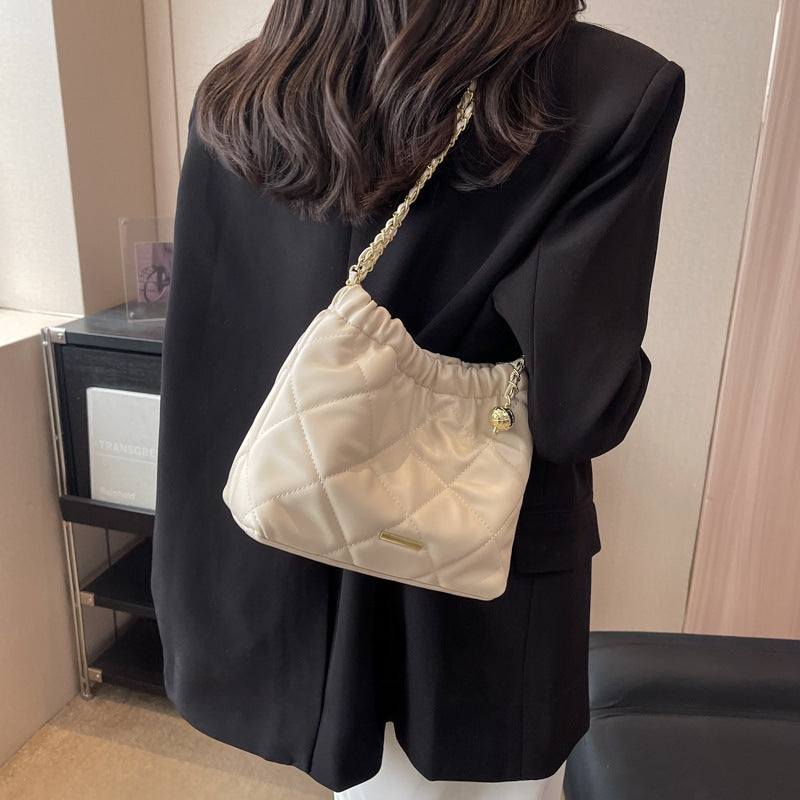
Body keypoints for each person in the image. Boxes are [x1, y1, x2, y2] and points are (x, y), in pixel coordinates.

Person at [150, 1, 685, 797]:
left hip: (286, 551)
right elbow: (580, 410)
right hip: (471, 589)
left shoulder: (240, 95)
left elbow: (210, 364)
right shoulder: (610, 88)